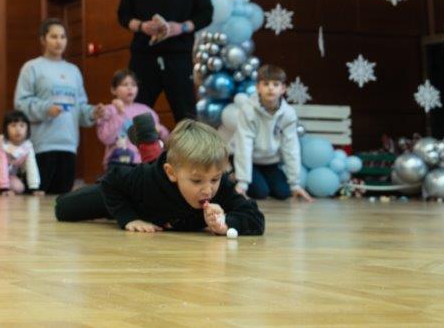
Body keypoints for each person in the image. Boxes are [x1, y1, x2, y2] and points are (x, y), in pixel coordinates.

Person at [55, 119, 265, 236]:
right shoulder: (146, 179)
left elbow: (255, 217)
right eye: (197, 181)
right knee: (64, 209)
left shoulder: (219, 184)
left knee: (156, 160)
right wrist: (128, 217)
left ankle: (148, 142)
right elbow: (112, 180)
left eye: (215, 179)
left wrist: (226, 222)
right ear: (171, 173)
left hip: (162, 189)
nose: (208, 189)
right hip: (133, 198)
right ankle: (148, 142)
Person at [116, 0, 213, 122]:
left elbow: (206, 14)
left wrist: (181, 27)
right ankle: (137, 145)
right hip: (143, 58)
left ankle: (187, 145)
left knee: (187, 117)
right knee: (137, 117)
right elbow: (123, 15)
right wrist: (142, 26)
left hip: (179, 57)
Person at [14, 19, 104, 194]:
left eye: (63, 37)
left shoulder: (73, 71)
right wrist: (46, 109)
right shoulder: (31, 67)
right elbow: (21, 104)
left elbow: (80, 107)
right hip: (41, 146)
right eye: (54, 36)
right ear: (43, 39)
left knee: (61, 199)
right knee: (35, 199)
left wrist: (93, 112)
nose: (59, 41)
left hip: (68, 145)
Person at [232, 64, 313, 201]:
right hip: (250, 160)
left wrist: (295, 184)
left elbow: (291, 147)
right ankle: (234, 176)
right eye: (266, 84)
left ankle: (261, 178)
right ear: (258, 87)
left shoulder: (288, 114)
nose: (270, 88)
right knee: (260, 193)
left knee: (283, 193)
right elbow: (244, 146)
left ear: (283, 89)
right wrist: (242, 183)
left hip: (270, 161)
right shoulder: (248, 110)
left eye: (276, 84)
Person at [96, 70, 169, 170]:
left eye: (133, 85)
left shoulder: (146, 110)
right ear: (113, 89)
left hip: (143, 162)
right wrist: (120, 114)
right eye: (125, 84)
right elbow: (106, 138)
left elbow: (164, 138)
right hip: (118, 162)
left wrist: (160, 130)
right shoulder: (107, 110)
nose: (130, 88)